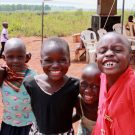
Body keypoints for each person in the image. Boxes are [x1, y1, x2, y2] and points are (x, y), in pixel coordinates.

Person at [23, 37, 79, 134]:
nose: (55, 65)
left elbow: (80, 113)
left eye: (62, 60)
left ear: (69, 61)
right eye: (49, 60)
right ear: (41, 62)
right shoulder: (30, 84)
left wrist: (65, 124)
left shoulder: (75, 85)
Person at [92, 32, 135, 135]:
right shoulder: (102, 77)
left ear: (131, 58)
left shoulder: (132, 85)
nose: (109, 54)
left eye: (118, 50)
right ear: (96, 58)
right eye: (103, 51)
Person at [0, 38, 36, 135]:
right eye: (11, 57)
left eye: (20, 57)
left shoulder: (33, 76)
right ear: (4, 57)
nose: (15, 61)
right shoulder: (3, 74)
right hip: (9, 122)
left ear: (27, 57)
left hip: (29, 122)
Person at [73, 63, 101, 135]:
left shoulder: (104, 105)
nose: (88, 91)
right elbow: (79, 115)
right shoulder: (79, 101)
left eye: (95, 86)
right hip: (84, 131)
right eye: (84, 84)